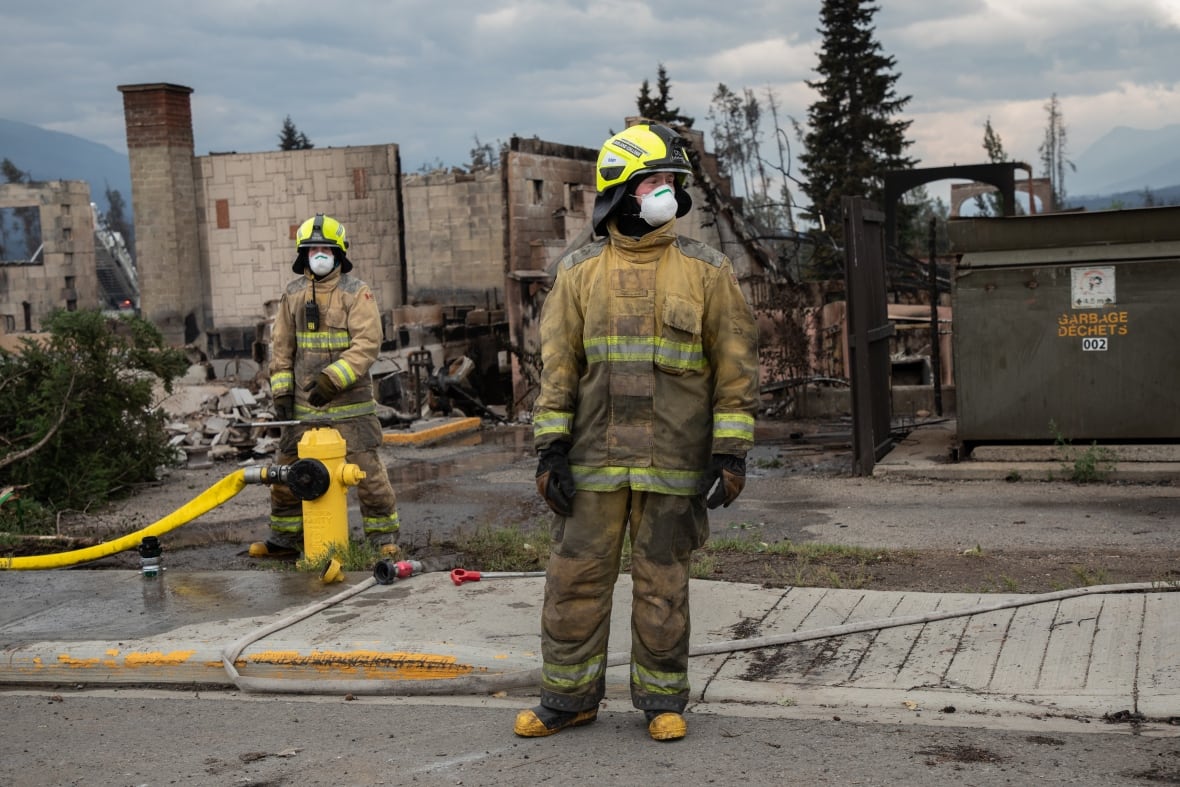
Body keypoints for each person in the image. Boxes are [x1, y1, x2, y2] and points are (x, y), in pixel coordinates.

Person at [514, 124, 759, 742]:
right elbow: (558, 370)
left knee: (662, 585)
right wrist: (550, 451)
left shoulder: (707, 272)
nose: (666, 194)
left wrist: (730, 454)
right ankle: (568, 699)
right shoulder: (577, 274)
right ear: (621, 191)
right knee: (574, 581)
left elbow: (735, 370)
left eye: (673, 183)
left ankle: (661, 701)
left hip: (672, 462)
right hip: (593, 464)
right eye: (654, 182)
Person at [251, 213, 401, 559]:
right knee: (287, 471)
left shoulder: (356, 293)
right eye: (313, 249)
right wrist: (282, 393)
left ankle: (384, 539)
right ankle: (286, 539)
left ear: (339, 253)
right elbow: (282, 348)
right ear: (303, 255)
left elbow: (367, 344)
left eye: (326, 249)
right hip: (304, 408)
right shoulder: (292, 295)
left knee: (367, 474)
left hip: (352, 408)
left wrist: (333, 379)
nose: (319, 255)